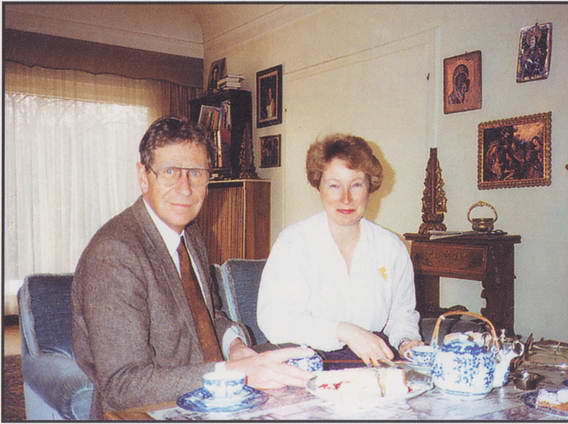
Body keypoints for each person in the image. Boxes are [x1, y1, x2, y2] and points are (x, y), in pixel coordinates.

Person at [72, 116, 312, 419]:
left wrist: (236, 347)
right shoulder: (114, 253)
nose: (185, 189)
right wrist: (236, 372)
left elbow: (207, 315)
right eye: (170, 172)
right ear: (143, 177)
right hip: (150, 412)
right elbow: (124, 385)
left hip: (213, 400)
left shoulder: (191, 234)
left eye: (196, 173)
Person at [257, 133, 423, 368]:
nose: (346, 198)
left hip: (374, 364)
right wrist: (344, 331)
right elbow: (275, 321)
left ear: (370, 187)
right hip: (308, 366)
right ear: (319, 186)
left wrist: (407, 341)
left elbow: (402, 314)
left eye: (356, 185)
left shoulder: (391, 247)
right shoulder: (294, 242)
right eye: (334, 185)